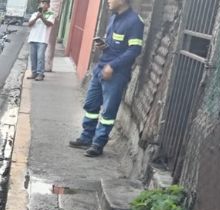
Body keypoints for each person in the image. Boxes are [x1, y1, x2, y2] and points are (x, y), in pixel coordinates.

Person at [68, 0, 144, 157]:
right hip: (100, 69)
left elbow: (134, 50)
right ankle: (86, 137)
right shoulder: (113, 17)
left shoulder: (134, 21)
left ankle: (98, 144)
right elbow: (114, 44)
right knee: (91, 105)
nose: (108, 1)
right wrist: (104, 46)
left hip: (116, 73)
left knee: (108, 111)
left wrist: (113, 66)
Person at [27, 0, 55, 81]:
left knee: (40, 57)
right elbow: (29, 24)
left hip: (42, 40)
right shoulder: (35, 14)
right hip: (33, 39)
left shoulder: (51, 14)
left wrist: (42, 17)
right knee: (33, 57)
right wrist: (37, 17)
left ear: (48, 5)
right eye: (41, 3)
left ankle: (40, 74)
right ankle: (34, 73)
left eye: (44, 3)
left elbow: (49, 24)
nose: (42, 4)